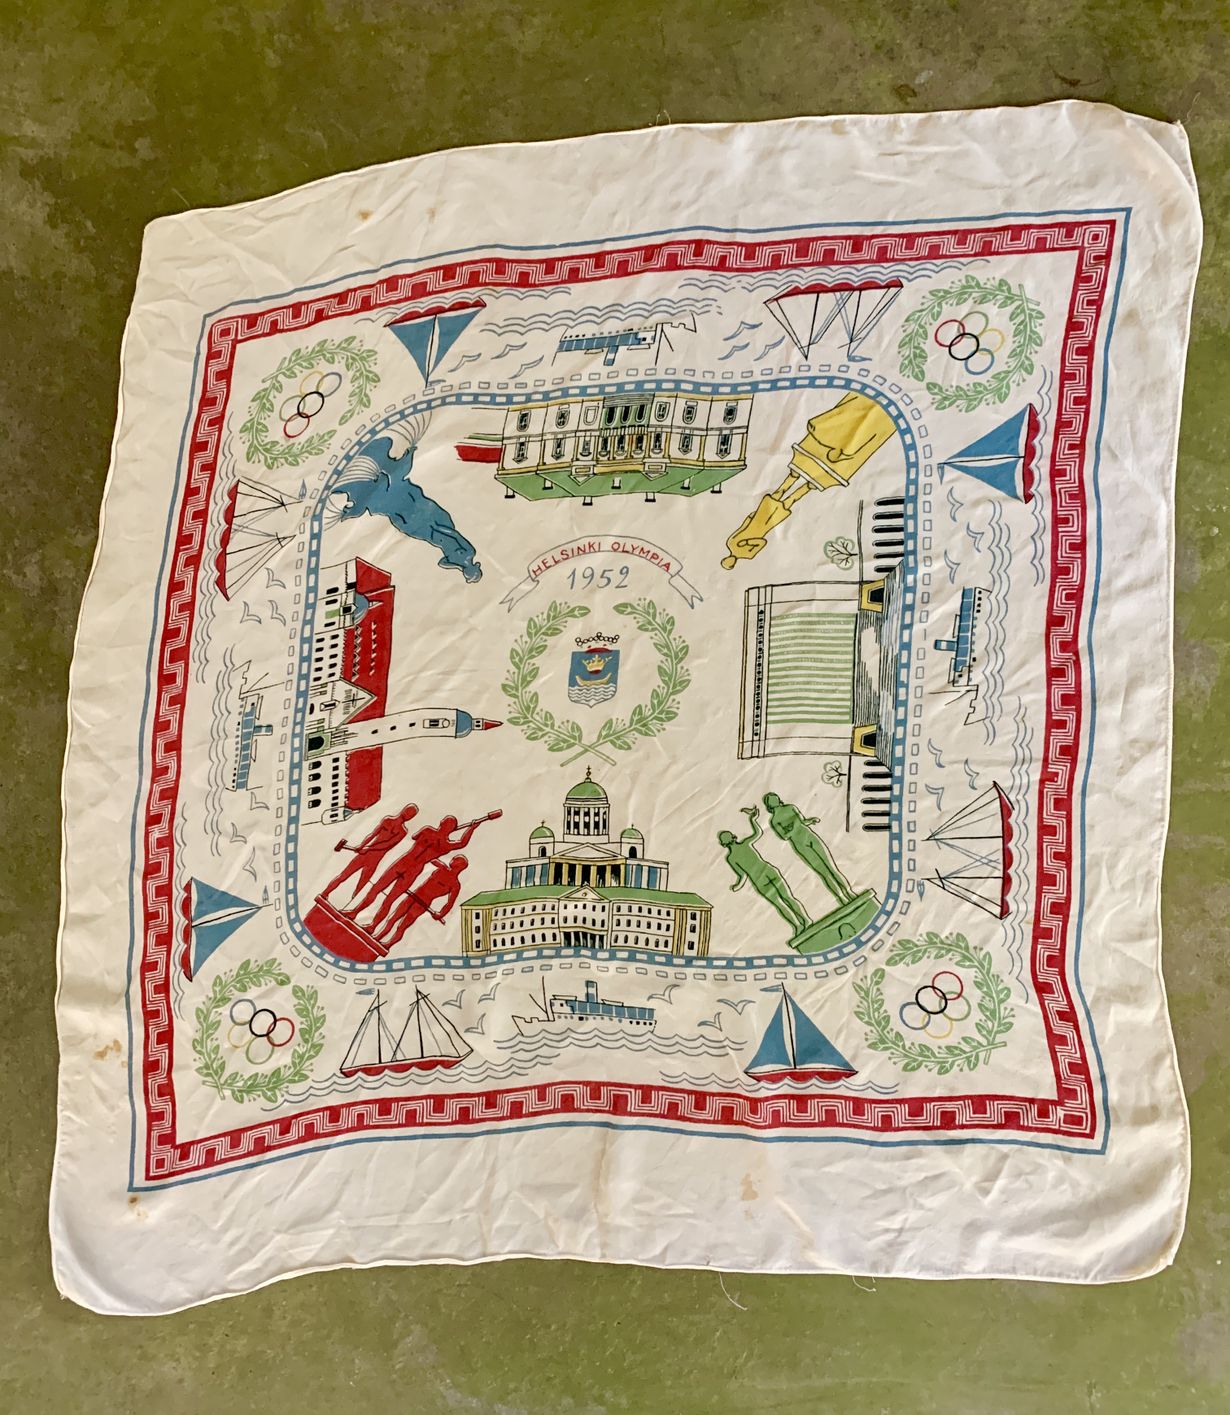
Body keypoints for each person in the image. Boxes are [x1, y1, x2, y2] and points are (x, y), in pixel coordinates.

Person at [346, 811, 500, 928]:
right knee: (379, 891)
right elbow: (461, 843)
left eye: (445, 823)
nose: (443, 823)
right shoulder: (442, 842)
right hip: (404, 864)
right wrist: (471, 828)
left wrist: (471, 829)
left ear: (442, 823)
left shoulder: (432, 834)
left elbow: (416, 837)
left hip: (410, 868)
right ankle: (356, 913)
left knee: (388, 897)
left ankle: (372, 924)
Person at [718, 806, 809, 936]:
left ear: (723, 844)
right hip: (768, 870)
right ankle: (805, 920)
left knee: (779, 904)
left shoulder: (731, 857)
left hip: (759, 880)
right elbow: (757, 833)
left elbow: (742, 875)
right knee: (788, 898)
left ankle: (798, 926)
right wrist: (753, 819)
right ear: (734, 837)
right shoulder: (744, 844)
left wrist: (737, 886)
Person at [763, 792, 855, 905]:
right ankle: (841, 899)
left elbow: (802, 821)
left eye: (775, 797)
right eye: (771, 799)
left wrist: (808, 821)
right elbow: (784, 836)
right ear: (769, 804)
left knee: (832, 868)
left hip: (810, 837)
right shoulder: (774, 820)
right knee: (824, 873)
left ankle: (850, 893)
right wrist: (795, 826)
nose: (775, 799)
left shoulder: (790, 807)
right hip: (800, 845)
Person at [320, 803, 418, 905]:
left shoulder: (402, 832)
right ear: (404, 809)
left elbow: (387, 845)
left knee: (361, 885)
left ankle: (347, 905)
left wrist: (368, 848)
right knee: (344, 875)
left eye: (412, 815)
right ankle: (325, 893)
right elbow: (373, 834)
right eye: (408, 812)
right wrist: (361, 845)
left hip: (374, 859)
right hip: (364, 855)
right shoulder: (387, 820)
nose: (408, 815)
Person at [378, 855, 470, 949]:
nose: (452, 859)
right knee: (393, 918)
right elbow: (430, 858)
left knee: (402, 926)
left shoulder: (455, 885)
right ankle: (378, 936)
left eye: (455, 859)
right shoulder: (442, 868)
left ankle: (388, 944)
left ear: (459, 866)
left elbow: (449, 904)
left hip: (423, 904)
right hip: (413, 896)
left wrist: (440, 914)